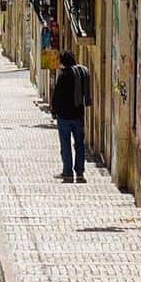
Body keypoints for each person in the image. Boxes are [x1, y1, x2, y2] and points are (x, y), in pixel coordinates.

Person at [50, 50, 92, 183]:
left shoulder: (63, 76)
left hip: (64, 117)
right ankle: (80, 173)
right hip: (78, 115)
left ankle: (67, 173)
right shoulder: (79, 74)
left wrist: (54, 110)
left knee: (65, 144)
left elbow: (56, 95)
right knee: (79, 144)